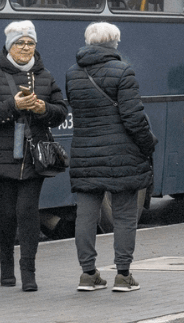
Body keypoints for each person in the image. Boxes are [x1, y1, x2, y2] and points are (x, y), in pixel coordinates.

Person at [0, 20, 70, 292]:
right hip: (0, 157)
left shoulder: (45, 76)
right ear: (9, 46)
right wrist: (13, 105)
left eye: (30, 43)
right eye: (20, 43)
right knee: (7, 215)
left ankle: (29, 273)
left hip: (34, 156)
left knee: (28, 213)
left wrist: (42, 109)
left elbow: (61, 111)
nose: (26, 48)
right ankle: (6, 267)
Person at [64, 22, 157, 292]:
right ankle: (123, 275)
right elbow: (133, 118)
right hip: (122, 154)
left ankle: (88, 274)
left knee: (86, 216)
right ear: (113, 42)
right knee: (125, 216)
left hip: (85, 153)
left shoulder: (73, 73)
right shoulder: (123, 71)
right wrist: (148, 144)